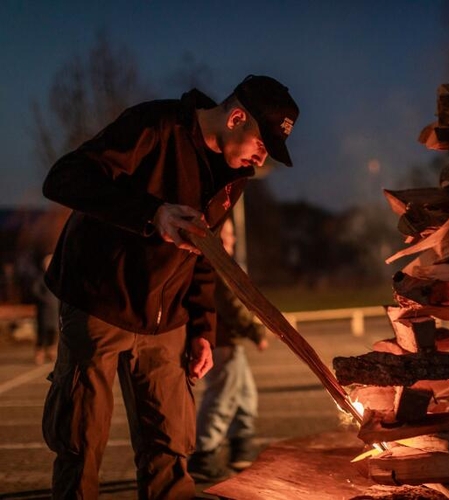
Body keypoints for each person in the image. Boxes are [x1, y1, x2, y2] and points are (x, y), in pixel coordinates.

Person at [40, 75, 299, 499]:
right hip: (100, 303)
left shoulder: (233, 176)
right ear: (236, 118)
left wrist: (202, 329)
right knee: (80, 442)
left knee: (171, 449)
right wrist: (151, 214)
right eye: (261, 145)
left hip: (167, 322)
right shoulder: (155, 126)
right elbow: (64, 178)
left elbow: (204, 253)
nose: (260, 158)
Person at [188, 217, 268, 481]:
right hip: (221, 341)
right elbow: (231, 305)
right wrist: (255, 331)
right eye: (228, 234)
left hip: (228, 340)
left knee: (245, 395)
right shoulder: (217, 265)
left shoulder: (221, 265)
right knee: (222, 397)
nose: (232, 239)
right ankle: (204, 455)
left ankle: (241, 448)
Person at [31, 253, 59, 365]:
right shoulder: (40, 278)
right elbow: (35, 291)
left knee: (53, 332)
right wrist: (45, 300)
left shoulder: (56, 278)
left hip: (54, 310)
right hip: (44, 311)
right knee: (42, 332)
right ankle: (40, 353)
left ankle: (51, 351)